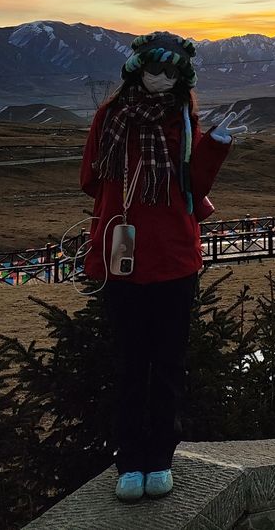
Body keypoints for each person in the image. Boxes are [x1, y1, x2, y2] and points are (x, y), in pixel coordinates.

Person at [80, 30, 244, 504]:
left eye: (169, 71)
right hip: (143, 258)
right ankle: (133, 461)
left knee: (154, 362)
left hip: (154, 258)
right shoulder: (123, 118)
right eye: (155, 69)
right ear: (138, 69)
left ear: (180, 76)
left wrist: (214, 147)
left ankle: (157, 459)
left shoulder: (125, 118)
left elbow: (94, 180)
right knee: (143, 363)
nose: (160, 78)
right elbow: (93, 179)